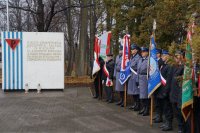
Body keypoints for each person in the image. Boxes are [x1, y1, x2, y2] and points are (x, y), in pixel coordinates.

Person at [170, 50, 190, 133]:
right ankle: (180, 126)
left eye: (178, 56)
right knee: (176, 112)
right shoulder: (174, 66)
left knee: (181, 112)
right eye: (176, 56)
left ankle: (183, 128)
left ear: (182, 57)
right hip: (174, 93)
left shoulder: (185, 67)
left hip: (181, 93)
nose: (176, 58)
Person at [155, 50, 173, 131]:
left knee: (168, 108)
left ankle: (169, 124)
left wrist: (166, 91)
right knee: (165, 108)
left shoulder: (169, 66)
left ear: (168, 56)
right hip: (162, 90)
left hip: (167, 91)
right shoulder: (163, 65)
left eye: (164, 55)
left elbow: (168, 80)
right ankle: (166, 122)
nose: (162, 57)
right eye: (162, 55)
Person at [128, 44, 141, 111]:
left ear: (136, 50)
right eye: (131, 49)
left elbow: (138, 68)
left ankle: (138, 105)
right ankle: (135, 104)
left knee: (136, 92)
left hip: (135, 75)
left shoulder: (138, 57)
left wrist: (132, 67)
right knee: (133, 91)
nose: (131, 50)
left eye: (133, 49)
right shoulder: (131, 57)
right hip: (131, 76)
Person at [137, 47, 149, 116]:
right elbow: (138, 71)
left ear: (147, 52)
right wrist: (137, 79)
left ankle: (146, 109)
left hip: (145, 79)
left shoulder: (149, 60)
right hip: (140, 78)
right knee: (141, 95)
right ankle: (143, 108)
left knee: (145, 95)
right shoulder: (140, 60)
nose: (142, 53)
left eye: (144, 52)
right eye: (141, 52)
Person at [154, 48, 164, 122]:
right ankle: (157, 115)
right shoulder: (154, 61)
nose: (156, 54)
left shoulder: (161, 61)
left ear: (160, 54)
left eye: (157, 53)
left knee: (160, 102)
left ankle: (160, 116)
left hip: (160, 84)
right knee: (156, 101)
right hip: (155, 84)